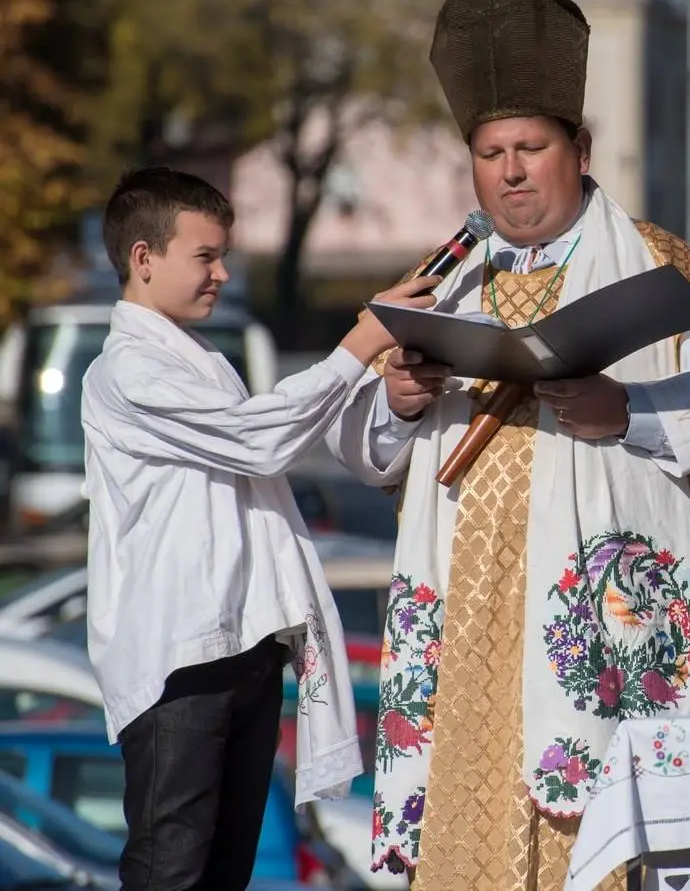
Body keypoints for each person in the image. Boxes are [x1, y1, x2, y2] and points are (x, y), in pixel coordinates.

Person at [325, 0, 690, 891]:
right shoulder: (442, 282)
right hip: (469, 625)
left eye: (530, 149)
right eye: (490, 155)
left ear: (580, 149)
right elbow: (360, 446)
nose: (510, 174)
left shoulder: (659, 267)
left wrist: (631, 410)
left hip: (598, 626)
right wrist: (400, 400)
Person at [80, 166, 440, 891]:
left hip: (245, 648)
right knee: (169, 872)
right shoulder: (125, 371)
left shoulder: (204, 361)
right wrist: (362, 340)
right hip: (180, 660)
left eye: (224, 255)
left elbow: (282, 432)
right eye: (205, 256)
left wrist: (390, 390)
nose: (221, 273)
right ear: (144, 258)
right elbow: (262, 440)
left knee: (225, 874)